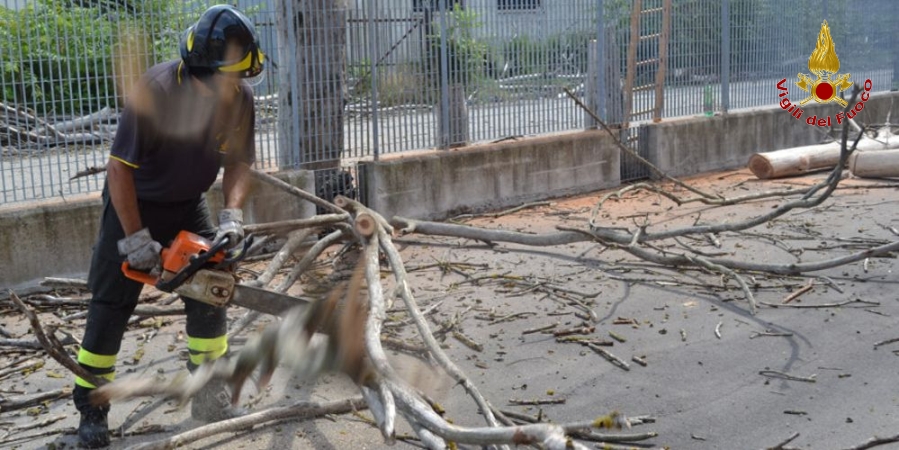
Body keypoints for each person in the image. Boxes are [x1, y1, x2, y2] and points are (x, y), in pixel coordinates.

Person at [73, 5, 264, 448]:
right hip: (133, 205)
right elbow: (118, 170)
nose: (233, 88)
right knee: (111, 305)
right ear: (201, 71)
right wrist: (136, 239)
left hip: (188, 204)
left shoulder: (240, 99)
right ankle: (92, 409)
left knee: (211, 289)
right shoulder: (156, 91)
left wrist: (232, 215)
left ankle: (208, 390)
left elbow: (239, 163)